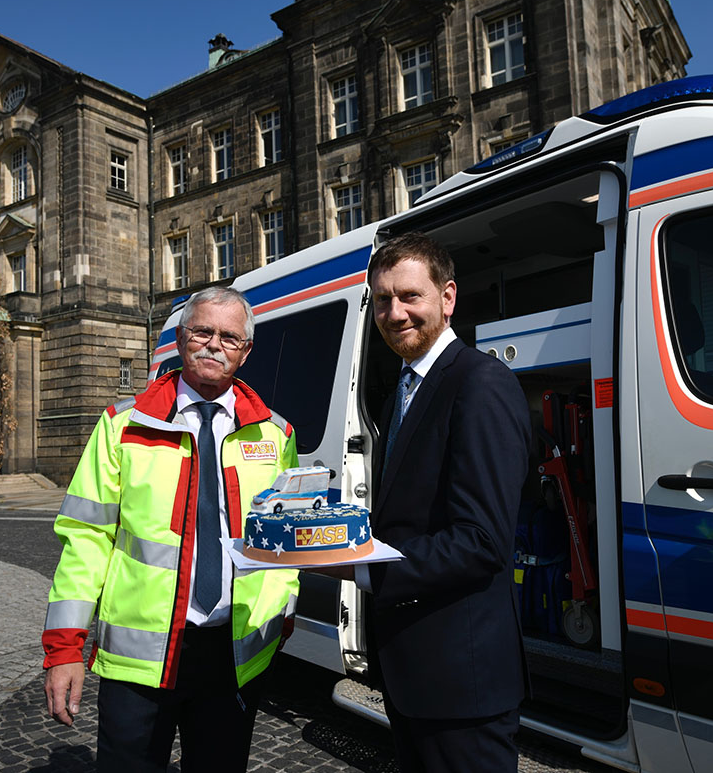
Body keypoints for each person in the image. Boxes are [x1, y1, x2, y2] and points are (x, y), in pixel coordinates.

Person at [41, 286, 299, 772]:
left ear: (245, 352)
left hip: (233, 657)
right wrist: (63, 649)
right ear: (181, 339)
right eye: (202, 331)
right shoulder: (122, 427)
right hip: (141, 660)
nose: (213, 344)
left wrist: (281, 611)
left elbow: (281, 542)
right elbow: (86, 541)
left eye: (229, 336)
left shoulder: (275, 434)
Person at [312, 232, 531, 771]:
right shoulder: (400, 392)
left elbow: (481, 543)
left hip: (462, 679)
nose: (395, 312)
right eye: (383, 299)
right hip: (414, 672)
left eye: (410, 296)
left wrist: (363, 567)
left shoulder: (480, 384)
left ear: (447, 298)